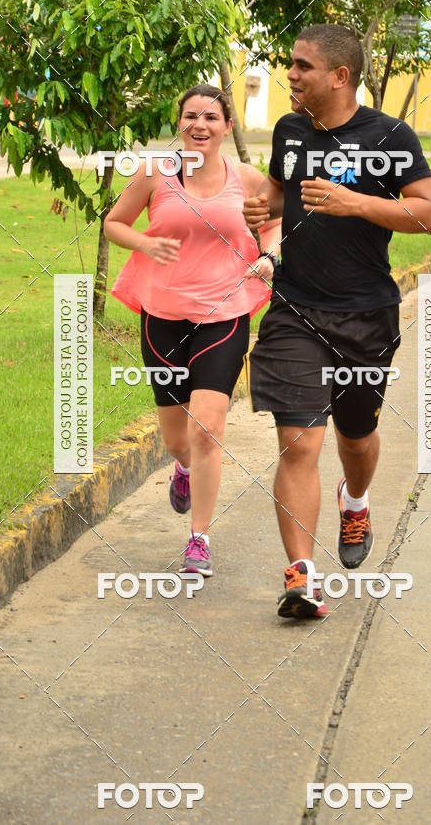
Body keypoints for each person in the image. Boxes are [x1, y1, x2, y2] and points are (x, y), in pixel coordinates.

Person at [243, 24, 431, 619]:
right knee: (297, 440)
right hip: (295, 308)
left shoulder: (389, 136)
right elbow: (285, 193)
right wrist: (265, 205)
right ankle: (300, 578)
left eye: (303, 66)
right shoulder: (291, 129)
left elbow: (429, 214)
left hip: (364, 315)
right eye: (290, 64)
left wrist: (355, 201)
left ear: (340, 76)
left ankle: (354, 500)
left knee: (355, 438)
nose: (292, 75)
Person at [104, 84, 281, 577]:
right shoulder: (155, 174)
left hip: (223, 315)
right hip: (162, 315)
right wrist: (144, 242)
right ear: (180, 123)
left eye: (210, 117)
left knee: (208, 428)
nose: (199, 125)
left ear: (227, 126)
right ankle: (181, 469)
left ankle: (198, 540)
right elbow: (113, 224)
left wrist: (269, 255)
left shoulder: (244, 178)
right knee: (177, 438)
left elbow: (271, 224)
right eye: (190, 116)